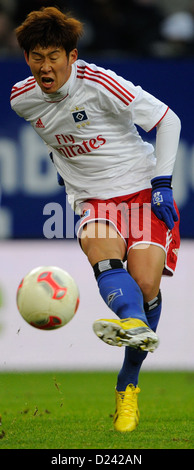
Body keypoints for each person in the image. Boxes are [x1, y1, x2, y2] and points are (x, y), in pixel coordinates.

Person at [10, 6, 181, 432]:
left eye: (53, 56)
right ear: (26, 58)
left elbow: (167, 120)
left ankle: (128, 384)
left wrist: (163, 182)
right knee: (104, 255)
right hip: (93, 200)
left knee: (145, 285)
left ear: (72, 55)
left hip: (142, 189)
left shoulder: (99, 83)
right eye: (36, 57)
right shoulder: (21, 99)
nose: (45, 66)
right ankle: (134, 322)